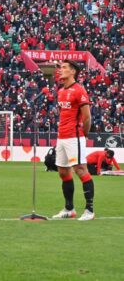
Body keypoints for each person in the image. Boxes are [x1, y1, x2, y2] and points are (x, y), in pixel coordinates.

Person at [52, 60, 94, 221]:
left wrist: (83, 134)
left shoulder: (79, 90)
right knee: (63, 171)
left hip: (74, 136)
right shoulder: (61, 90)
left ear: (73, 72)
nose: (60, 70)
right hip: (61, 136)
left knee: (80, 169)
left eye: (64, 68)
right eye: (60, 67)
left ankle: (89, 210)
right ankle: (69, 209)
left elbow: (87, 117)